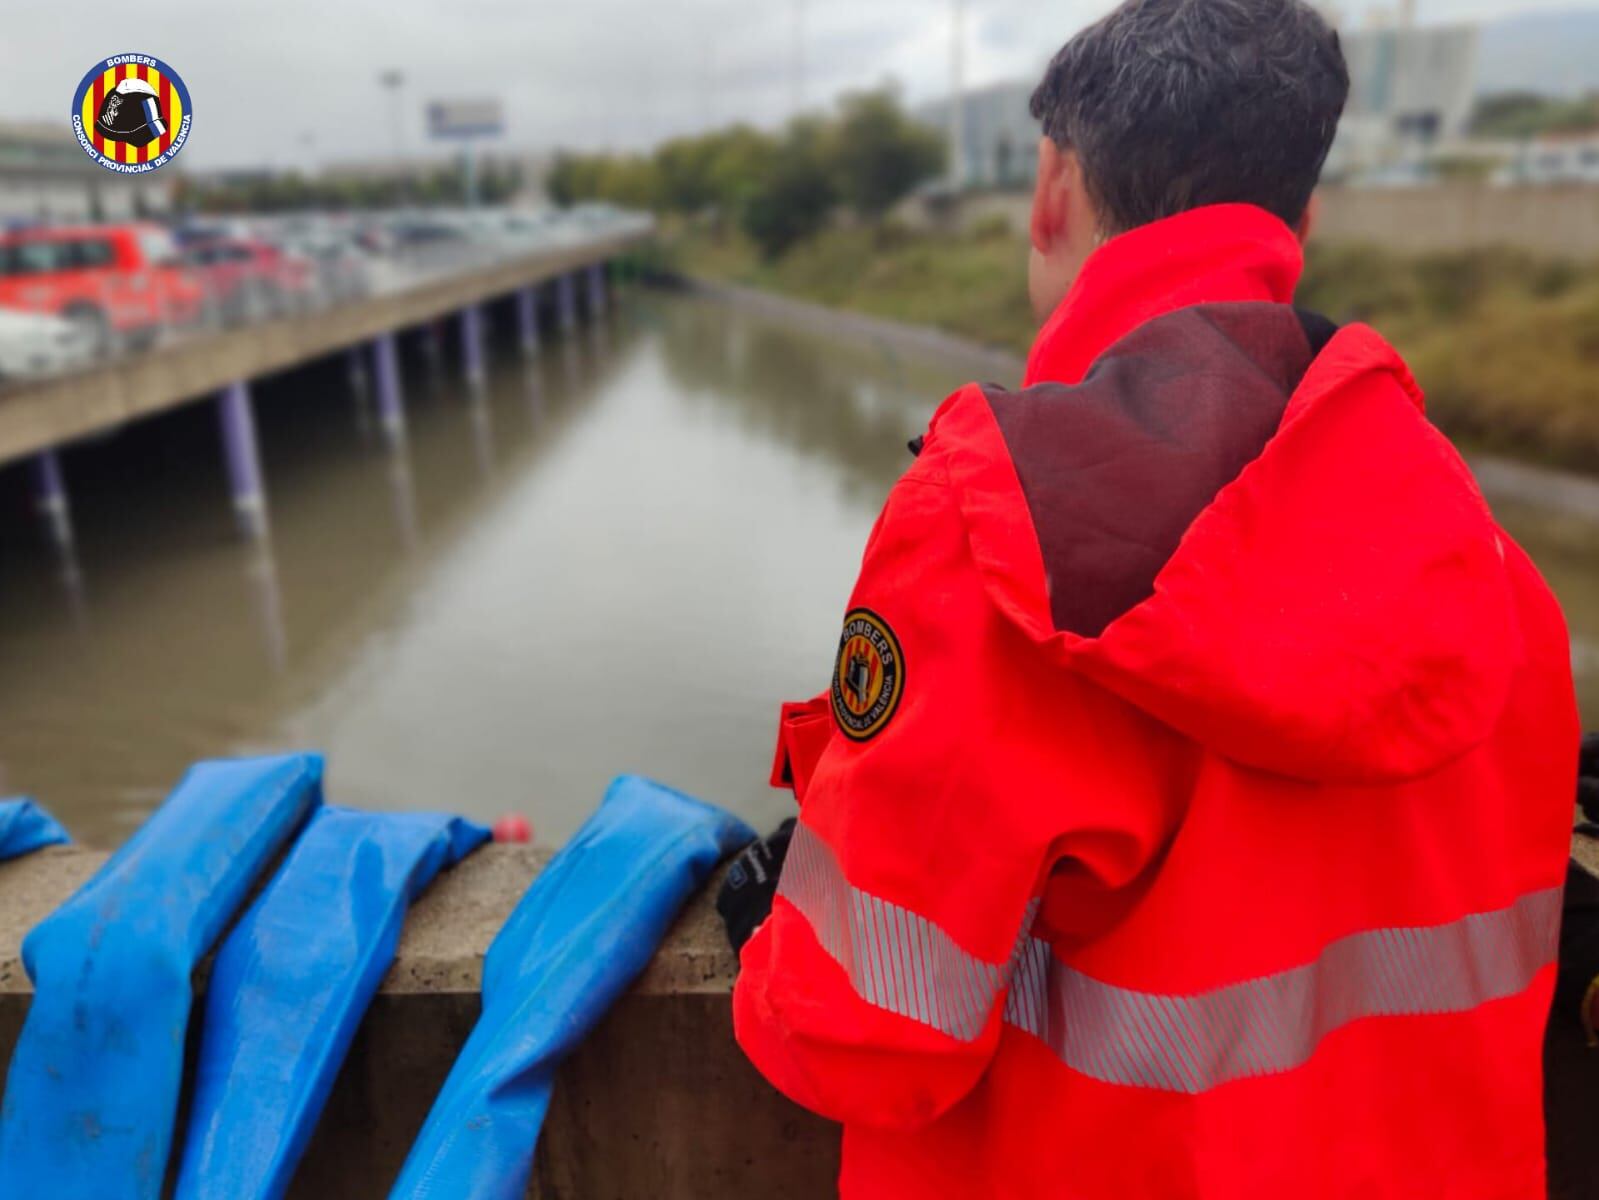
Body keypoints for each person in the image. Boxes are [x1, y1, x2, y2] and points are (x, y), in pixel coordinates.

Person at [715, 0, 1582, 1196]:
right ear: (1301, 219)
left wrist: (782, 928)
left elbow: (857, 1039)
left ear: (1051, 190)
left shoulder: (998, 536)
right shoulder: (1486, 562)